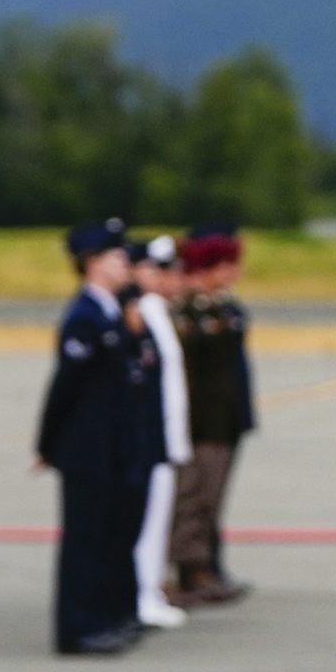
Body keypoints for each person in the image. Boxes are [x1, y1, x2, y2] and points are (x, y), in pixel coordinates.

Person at [33, 220, 141, 655]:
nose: (125, 263)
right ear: (92, 263)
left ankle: (100, 619)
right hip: (85, 449)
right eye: (116, 256)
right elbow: (66, 388)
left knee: (103, 539)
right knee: (83, 544)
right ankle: (76, 630)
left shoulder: (108, 312)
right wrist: (47, 444)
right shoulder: (84, 316)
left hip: (107, 447)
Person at [169, 229, 255, 607]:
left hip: (225, 418)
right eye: (227, 263)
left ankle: (206, 567)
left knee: (211, 497)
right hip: (200, 421)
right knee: (194, 498)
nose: (235, 271)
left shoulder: (222, 307)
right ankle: (191, 570)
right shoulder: (189, 310)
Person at [130, 236, 191, 629]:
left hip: (165, 437)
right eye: (155, 269)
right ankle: (142, 594)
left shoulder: (157, 310)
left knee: (156, 520)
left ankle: (149, 590)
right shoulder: (144, 311)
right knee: (146, 523)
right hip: (151, 437)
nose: (168, 278)